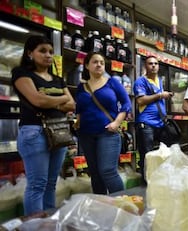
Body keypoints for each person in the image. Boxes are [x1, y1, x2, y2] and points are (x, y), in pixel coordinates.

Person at [11, 35, 75, 215]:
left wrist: (51, 100)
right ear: (30, 53)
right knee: (37, 185)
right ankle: (34, 225)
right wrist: (61, 98)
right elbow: (37, 100)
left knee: (51, 183)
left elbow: (72, 104)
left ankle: (47, 222)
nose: (48, 55)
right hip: (34, 132)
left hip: (59, 131)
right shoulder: (21, 73)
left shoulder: (58, 78)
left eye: (50, 52)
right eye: (42, 51)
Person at [75, 52, 131, 194]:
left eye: (101, 62)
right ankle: (101, 205)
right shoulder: (82, 87)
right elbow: (79, 108)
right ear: (87, 65)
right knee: (94, 172)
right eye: (95, 62)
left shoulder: (112, 82)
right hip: (86, 134)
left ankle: (122, 205)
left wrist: (117, 122)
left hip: (108, 133)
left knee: (107, 171)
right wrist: (78, 121)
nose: (99, 64)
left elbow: (126, 103)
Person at [133, 55, 175, 181]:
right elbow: (140, 100)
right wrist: (161, 95)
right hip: (146, 123)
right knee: (147, 155)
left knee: (164, 153)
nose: (153, 66)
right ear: (145, 66)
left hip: (160, 123)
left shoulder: (159, 80)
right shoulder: (140, 81)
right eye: (150, 63)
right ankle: (147, 183)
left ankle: (159, 180)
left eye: (156, 63)